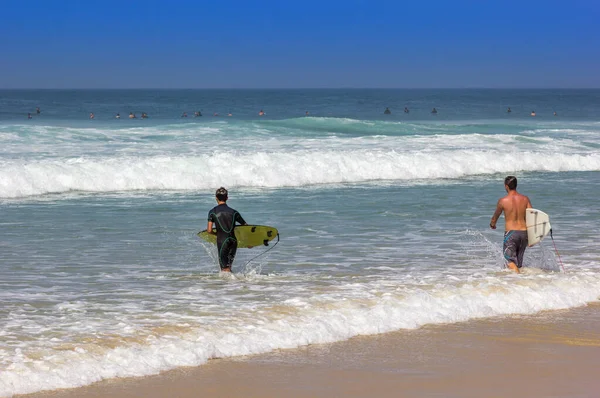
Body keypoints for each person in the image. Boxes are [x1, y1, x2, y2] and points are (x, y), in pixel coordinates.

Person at [489, 176, 532, 273]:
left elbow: (495, 216)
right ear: (516, 185)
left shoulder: (503, 201)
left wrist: (492, 224)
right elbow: (532, 216)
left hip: (511, 234)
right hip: (524, 233)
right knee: (518, 263)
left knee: (509, 261)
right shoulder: (525, 199)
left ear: (506, 186)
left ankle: (519, 279)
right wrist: (532, 237)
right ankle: (518, 283)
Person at [207, 187, 248, 272]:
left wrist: (217, 234)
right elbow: (246, 227)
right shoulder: (234, 212)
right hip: (233, 241)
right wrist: (248, 242)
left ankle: (228, 284)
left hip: (222, 241)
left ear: (216, 198)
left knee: (224, 269)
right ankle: (234, 284)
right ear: (227, 198)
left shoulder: (212, 212)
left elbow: (209, 230)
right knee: (228, 267)